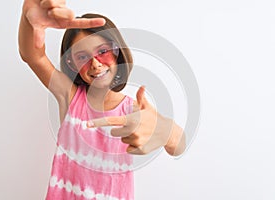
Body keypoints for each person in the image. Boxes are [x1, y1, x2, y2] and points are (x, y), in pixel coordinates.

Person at [19, 0, 186, 199]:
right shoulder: (70, 97)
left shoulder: (132, 110)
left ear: (118, 52)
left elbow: (178, 146)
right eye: (82, 57)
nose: (96, 64)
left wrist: (166, 130)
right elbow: (33, 56)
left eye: (103, 51)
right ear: (72, 64)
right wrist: (28, 18)